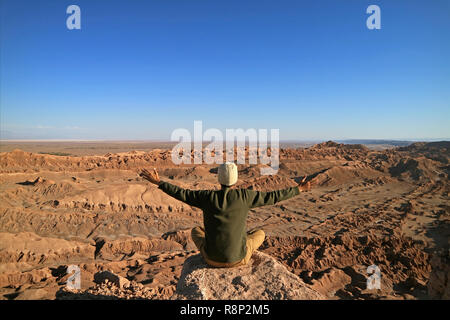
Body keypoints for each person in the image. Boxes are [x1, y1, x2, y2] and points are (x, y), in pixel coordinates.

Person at [140, 162, 312, 268]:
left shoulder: (207, 197)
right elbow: (273, 197)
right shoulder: (245, 196)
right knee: (260, 233)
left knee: (195, 231)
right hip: (240, 259)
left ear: (219, 179)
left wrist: (159, 182)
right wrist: (299, 189)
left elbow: (181, 193)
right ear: (236, 179)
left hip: (211, 259)